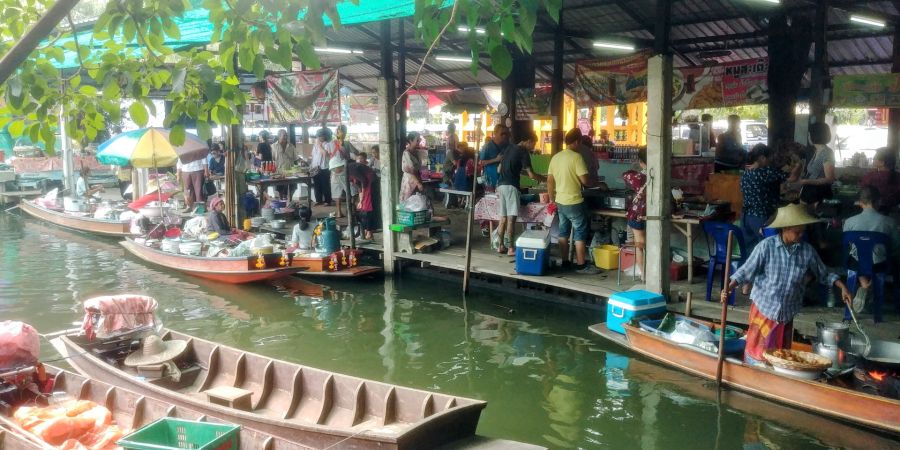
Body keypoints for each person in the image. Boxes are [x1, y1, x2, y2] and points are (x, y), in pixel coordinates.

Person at [722, 204, 852, 366]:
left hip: (787, 311)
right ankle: (752, 371)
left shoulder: (807, 251)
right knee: (757, 353)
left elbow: (823, 273)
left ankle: (778, 377)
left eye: (803, 232)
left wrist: (842, 286)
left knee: (781, 354)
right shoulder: (766, 246)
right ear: (785, 229)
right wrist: (729, 287)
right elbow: (745, 271)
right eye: (797, 232)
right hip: (764, 307)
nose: (801, 235)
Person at [843, 186, 899, 312]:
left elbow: (848, 245)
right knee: (888, 259)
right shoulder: (890, 222)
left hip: (856, 264)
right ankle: (868, 287)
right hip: (880, 265)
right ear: (878, 201)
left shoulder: (849, 222)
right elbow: (895, 247)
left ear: (860, 202)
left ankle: (864, 285)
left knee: (857, 257)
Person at [548, 129, 597, 274]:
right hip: (574, 201)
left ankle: (565, 262)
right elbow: (585, 181)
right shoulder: (577, 157)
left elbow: (550, 181)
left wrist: (552, 199)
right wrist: (599, 184)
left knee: (563, 232)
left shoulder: (555, 157)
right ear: (576, 142)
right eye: (580, 142)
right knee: (580, 233)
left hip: (560, 201)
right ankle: (581, 265)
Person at [740, 144, 801, 250]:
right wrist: (798, 164)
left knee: (749, 252)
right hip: (761, 217)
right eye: (769, 158)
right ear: (762, 158)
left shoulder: (746, 173)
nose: (770, 161)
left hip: (746, 217)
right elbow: (793, 178)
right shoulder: (766, 172)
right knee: (766, 250)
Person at [496, 131, 545, 256]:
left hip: (501, 185)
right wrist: (544, 179)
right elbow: (531, 174)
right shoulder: (523, 152)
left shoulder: (509, 148)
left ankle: (500, 246)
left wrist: (516, 172)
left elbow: (499, 169)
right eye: (533, 144)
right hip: (512, 187)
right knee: (511, 219)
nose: (533, 147)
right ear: (528, 141)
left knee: (503, 218)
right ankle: (511, 248)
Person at [622, 149, 649, 280]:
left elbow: (625, 175)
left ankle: (644, 275)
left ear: (641, 161)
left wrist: (637, 165)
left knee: (640, 244)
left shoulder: (638, 177)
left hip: (637, 214)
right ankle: (649, 274)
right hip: (650, 214)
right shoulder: (660, 176)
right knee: (646, 244)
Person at [798, 122, 835, 207]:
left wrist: (807, 181)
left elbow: (830, 179)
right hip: (810, 193)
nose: (808, 137)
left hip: (819, 194)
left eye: (809, 134)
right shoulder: (816, 150)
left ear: (814, 135)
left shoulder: (827, 153)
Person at [348, 161, 380, 241]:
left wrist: (362, 199)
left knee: (368, 207)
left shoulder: (350, 169)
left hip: (370, 182)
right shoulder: (347, 173)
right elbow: (358, 185)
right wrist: (360, 200)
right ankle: (366, 230)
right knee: (362, 208)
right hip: (365, 184)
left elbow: (363, 181)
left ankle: (369, 232)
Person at [860, 147, 898, 213]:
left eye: (875, 158)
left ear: (882, 163)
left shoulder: (871, 176)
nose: (873, 159)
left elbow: (862, 188)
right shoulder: (897, 176)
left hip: (874, 210)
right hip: (895, 212)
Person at [329, 125, 352, 218]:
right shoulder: (346, 143)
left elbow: (327, 154)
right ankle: (349, 210)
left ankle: (339, 212)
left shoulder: (331, 143)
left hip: (334, 170)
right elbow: (356, 152)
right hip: (343, 169)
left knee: (337, 191)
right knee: (350, 190)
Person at [479, 124, 510, 192]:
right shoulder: (487, 146)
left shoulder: (506, 145)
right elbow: (481, 162)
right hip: (490, 180)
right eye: (502, 134)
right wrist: (496, 159)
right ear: (495, 133)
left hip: (503, 180)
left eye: (506, 134)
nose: (504, 136)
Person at [310, 127, 333, 206]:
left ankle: (327, 201)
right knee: (317, 185)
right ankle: (318, 200)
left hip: (324, 168)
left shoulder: (328, 144)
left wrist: (320, 146)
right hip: (315, 167)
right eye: (318, 136)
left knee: (325, 185)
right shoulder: (315, 145)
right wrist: (311, 166)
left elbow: (326, 154)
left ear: (325, 136)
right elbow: (313, 155)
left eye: (321, 136)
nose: (319, 137)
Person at [400, 132, 424, 203]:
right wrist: (418, 183)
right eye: (417, 140)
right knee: (408, 203)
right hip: (409, 182)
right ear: (410, 140)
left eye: (419, 140)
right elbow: (409, 171)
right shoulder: (406, 153)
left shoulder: (417, 152)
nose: (419, 142)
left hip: (417, 179)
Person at [272, 130, 297, 198]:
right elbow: (272, 159)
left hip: (290, 171)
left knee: (293, 187)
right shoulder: (273, 146)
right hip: (278, 171)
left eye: (286, 135)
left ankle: (290, 199)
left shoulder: (291, 146)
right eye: (284, 135)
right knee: (279, 189)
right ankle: (281, 200)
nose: (286, 137)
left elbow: (295, 158)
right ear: (279, 136)